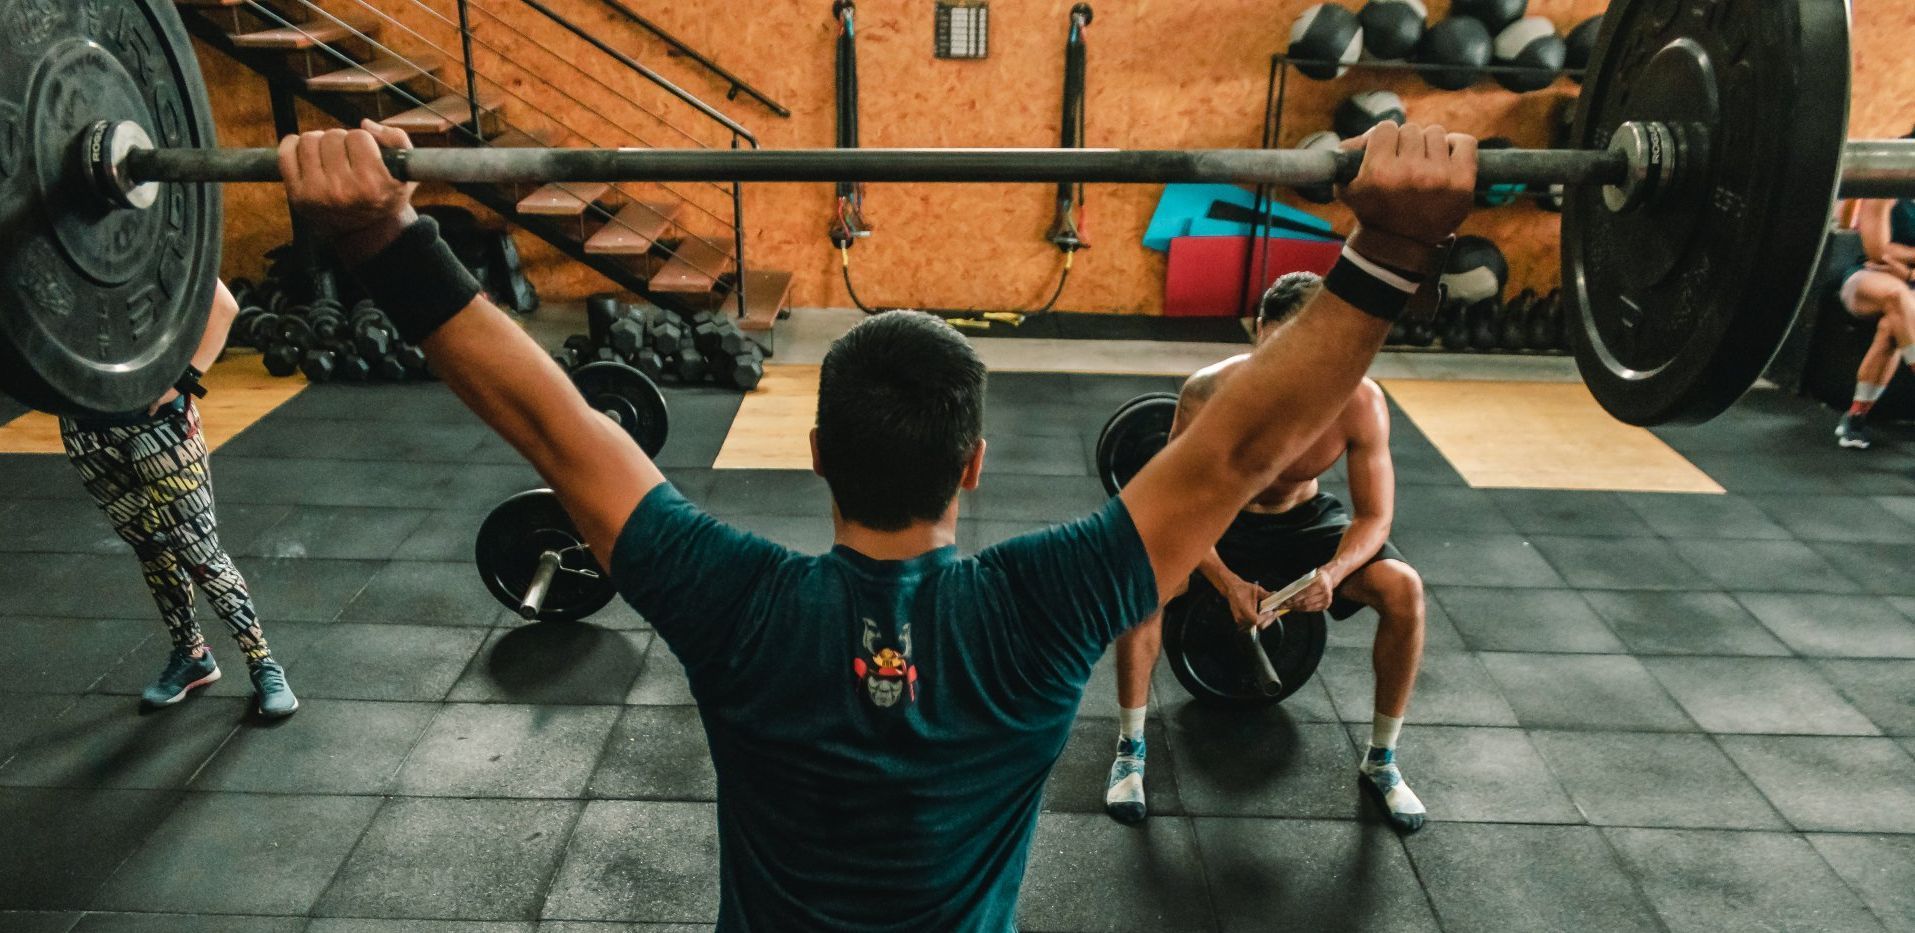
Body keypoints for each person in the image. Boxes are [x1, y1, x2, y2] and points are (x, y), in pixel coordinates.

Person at [280, 118, 1475, 931]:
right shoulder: (1045, 606)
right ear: (974, 465)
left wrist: (383, 236)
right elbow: (1240, 451)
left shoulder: (733, 599)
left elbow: (555, 427)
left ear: (817, 459)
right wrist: (1391, 248)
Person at [1101, 271, 1428, 833]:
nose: (1290, 365)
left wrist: (1333, 573)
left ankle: (1383, 759)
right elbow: (1174, 501)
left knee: (1403, 589)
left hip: (1304, 522)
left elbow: (1374, 516)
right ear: (1259, 330)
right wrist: (1224, 579)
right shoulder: (1208, 391)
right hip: (1216, 515)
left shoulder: (1359, 400)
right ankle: (1130, 751)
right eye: (1279, 346)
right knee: (1145, 584)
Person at [59, 281, 298, 718]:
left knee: (200, 553)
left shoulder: (146, 244)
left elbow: (223, 306)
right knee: (149, 547)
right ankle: (192, 655)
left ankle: (263, 663)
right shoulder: (43, 255)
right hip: (85, 430)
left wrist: (184, 380)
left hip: (160, 427)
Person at [1835, 132, 1915, 449]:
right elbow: (1877, 251)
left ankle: (1855, 417)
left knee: (1890, 329)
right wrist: (1902, 266)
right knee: (1897, 296)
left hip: (1906, 280)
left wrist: (1904, 264)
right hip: (1869, 279)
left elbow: (1891, 253)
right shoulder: (1890, 180)